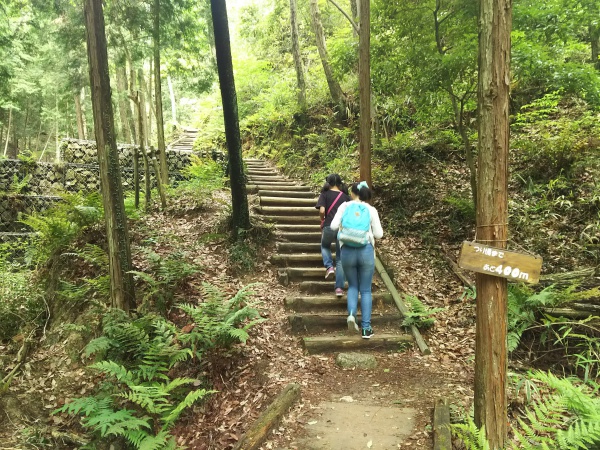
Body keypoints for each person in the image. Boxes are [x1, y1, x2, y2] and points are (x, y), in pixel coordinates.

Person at [330, 181, 383, 339]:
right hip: (365, 250)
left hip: (346, 250)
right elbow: (379, 234)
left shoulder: (344, 207)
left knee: (352, 285)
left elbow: (333, 226)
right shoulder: (371, 209)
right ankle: (366, 329)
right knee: (365, 289)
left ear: (352, 192)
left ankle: (352, 315)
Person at [315, 174, 350, 297]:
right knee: (340, 258)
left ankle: (329, 267)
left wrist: (322, 220)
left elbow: (322, 210)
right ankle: (339, 289)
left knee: (325, 246)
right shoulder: (346, 197)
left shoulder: (324, 194)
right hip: (342, 229)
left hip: (329, 226)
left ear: (328, 183)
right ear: (340, 183)